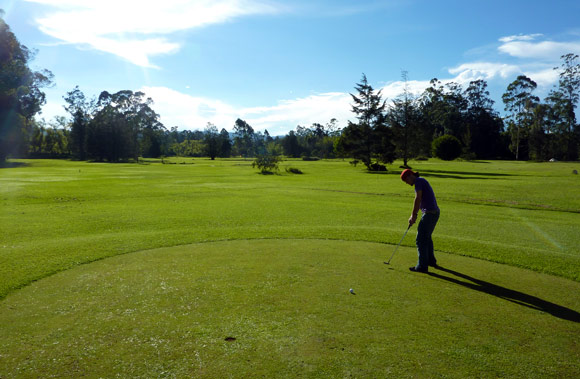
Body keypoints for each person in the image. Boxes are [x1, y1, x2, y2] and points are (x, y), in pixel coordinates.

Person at [400, 169, 440, 273]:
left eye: (406, 180)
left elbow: (418, 198)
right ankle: (430, 261)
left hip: (430, 213)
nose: (406, 183)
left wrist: (413, 215)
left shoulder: (418, 181)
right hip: (433, 212)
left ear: (410, 176)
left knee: (420, 239)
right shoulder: (421, 181)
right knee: (426, 237)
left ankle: (422, 266)